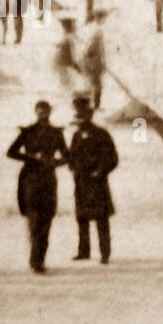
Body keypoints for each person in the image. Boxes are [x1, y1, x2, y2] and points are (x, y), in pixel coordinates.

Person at [7, 101, 69, 273]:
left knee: (46, 219)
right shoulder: (28, 132)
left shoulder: (56, 133)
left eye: (46, 111)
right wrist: (32, 157)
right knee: (34, 220)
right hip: (30, 179)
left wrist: (54, 162)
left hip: (48, 179)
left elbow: (67, 156)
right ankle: (36, 261)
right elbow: (11, 152)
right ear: (35, 112)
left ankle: (39, 259)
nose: (43, 114)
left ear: (50, 112)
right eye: (40, 111)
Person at [68, 93, 118, 263]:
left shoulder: (101, 134)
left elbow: (113, 158)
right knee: (82, 218)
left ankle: (105, 253)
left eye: (83, 117)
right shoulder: (76, 136)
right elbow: (71, 156)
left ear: (89, 117)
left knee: (101, 218)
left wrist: (100, 171)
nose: (80, 122)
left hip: (97, 182)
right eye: (78, 118)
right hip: (81, 182)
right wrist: (72, 168)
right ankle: (84, 251)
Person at [77, 14, 107, 109]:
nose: (105, 20)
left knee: (92, 83)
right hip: (92, 60)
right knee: (96, 84)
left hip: (89, 59)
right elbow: (92, 47)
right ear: (99, 18)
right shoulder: (98, 30)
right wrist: (101, 60)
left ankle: (91, 104)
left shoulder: (90, 28)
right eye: (104, 18)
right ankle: (95, 105)